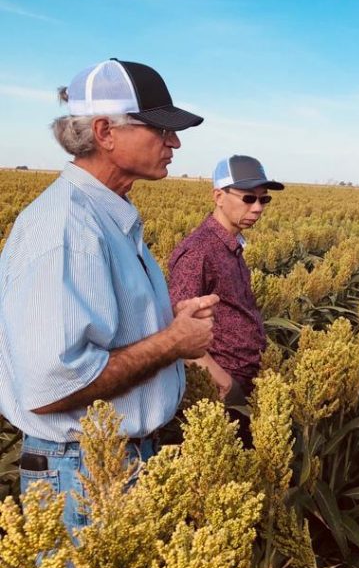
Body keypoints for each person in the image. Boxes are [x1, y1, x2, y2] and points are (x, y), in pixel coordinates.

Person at [0, 59, 216, 532]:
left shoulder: (105, 217)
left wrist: (166, 322)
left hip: (109, 463)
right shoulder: (67, 229)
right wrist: (173, 343)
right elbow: (50, 384)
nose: (175, 142)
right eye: (160, 128)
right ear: (105, 132)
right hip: (81, 472)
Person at [168, 155, 283, 442]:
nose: (257, 208)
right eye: (248, 198)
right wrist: (223, 382)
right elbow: (176, 327)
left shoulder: (230, 245)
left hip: (244, 378)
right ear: (218, 196)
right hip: (220, 386)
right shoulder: (200, 251)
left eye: (263, 200)